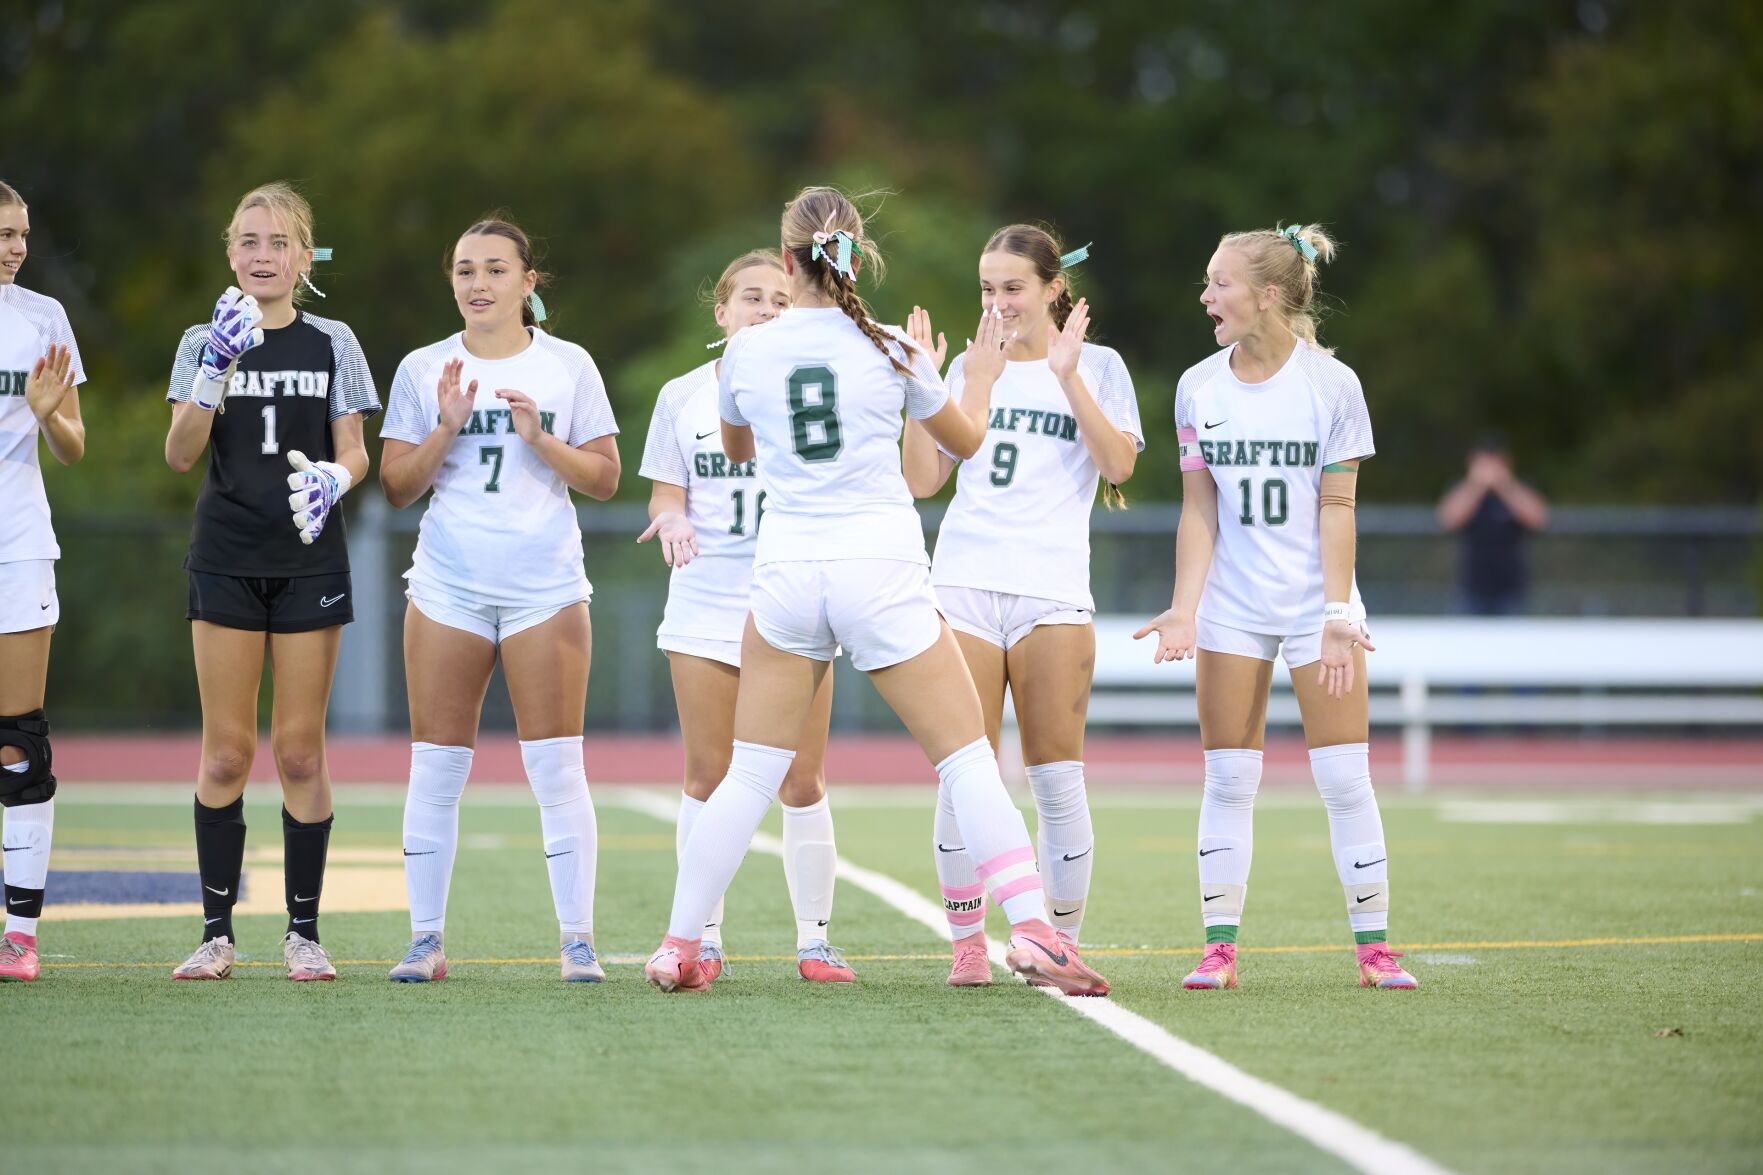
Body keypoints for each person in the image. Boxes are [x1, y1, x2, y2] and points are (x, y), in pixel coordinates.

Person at [644, 185, 1105, 997]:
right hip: (879, 570)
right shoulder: (891, 345)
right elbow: (960, 441)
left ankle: (680, 944)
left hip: (787, 573)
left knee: (748, 776)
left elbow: (737, 448)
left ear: (786, 262)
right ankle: (1034, 930)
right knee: (966, 759)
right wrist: (980, 377)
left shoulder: (748, 352)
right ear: (856, 256)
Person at [1135, 223, 1417, 991]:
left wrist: (1335, 612)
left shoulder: (1332, 384)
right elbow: (1199, 512)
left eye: (1218, 283)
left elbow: (1337, 506)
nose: (1204, 297)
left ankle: (1373, 950)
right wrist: (1183, 607)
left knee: (1344, 777)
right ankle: (1219, 948)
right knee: (1227, 777)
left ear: (1265, 295)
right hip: (1231, 605)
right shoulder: (1197, 387)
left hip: (1316, 605)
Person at [378, 217, 619, 983]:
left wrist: (541, 440)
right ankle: (425, 938)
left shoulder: (567, 364)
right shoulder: (423, 367)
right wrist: (447, 427)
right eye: (463, 270)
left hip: (544, 589)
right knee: (436, 768)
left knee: (555, 767)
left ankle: (577, 939)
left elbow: (605, 477)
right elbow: (395, 486)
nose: (476, 284)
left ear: (527, 282)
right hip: (448, 586)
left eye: (493, 269)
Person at [902, 226, 1141, 990]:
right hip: (964, 583)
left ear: (1051, 289)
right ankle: (967, 945)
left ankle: (1056, 943)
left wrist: (1068, 377)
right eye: (986, 288)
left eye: (1011, 287)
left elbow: (1119, 465)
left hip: (1051, 592)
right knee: (963, 770)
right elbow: (923, 481)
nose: (997, 303)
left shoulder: (1097, 366)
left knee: (1055, 778)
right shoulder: (973, 364)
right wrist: (923, 389)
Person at [164, 182, 380, 982]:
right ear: (230, 254)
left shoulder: (333, 341)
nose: (263, 255)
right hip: (224, 554)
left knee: (298, 752)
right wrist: (215, 365)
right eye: (249, 241)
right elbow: (181, 452)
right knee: (225, 753)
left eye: (279, 242)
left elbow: (355, 449)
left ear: (303, 255)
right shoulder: (202, 337)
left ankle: (303, 933)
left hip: (307, 561)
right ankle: (217, 932)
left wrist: (336, 476)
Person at [637, 249, 850, 984]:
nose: (765, 309)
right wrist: (669, 521)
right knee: (707, 774)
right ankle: (702, 941)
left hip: (791, 599)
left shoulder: (812, 390)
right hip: (704, 600)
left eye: (779, 299)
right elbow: (666, 494)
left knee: (802, 777)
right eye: (750, 298)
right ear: (721, 311)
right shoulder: (683, 395)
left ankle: (815, 942)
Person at [0, 180, 87, 983]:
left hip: (19, 545)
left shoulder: (42, 320)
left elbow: (72, 448)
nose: (14, 247)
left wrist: (51, 410)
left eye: (21, 233)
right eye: (2, 233)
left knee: (17, 743)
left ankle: (19, 934)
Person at [1436, 434, 1549, 615]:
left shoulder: (1517, 490)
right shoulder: (1463, 490)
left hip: (1512, 590)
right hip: (1471, 589)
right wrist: (1476, 485)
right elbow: (1449, 520)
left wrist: (1505, 484)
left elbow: (1538, 519)